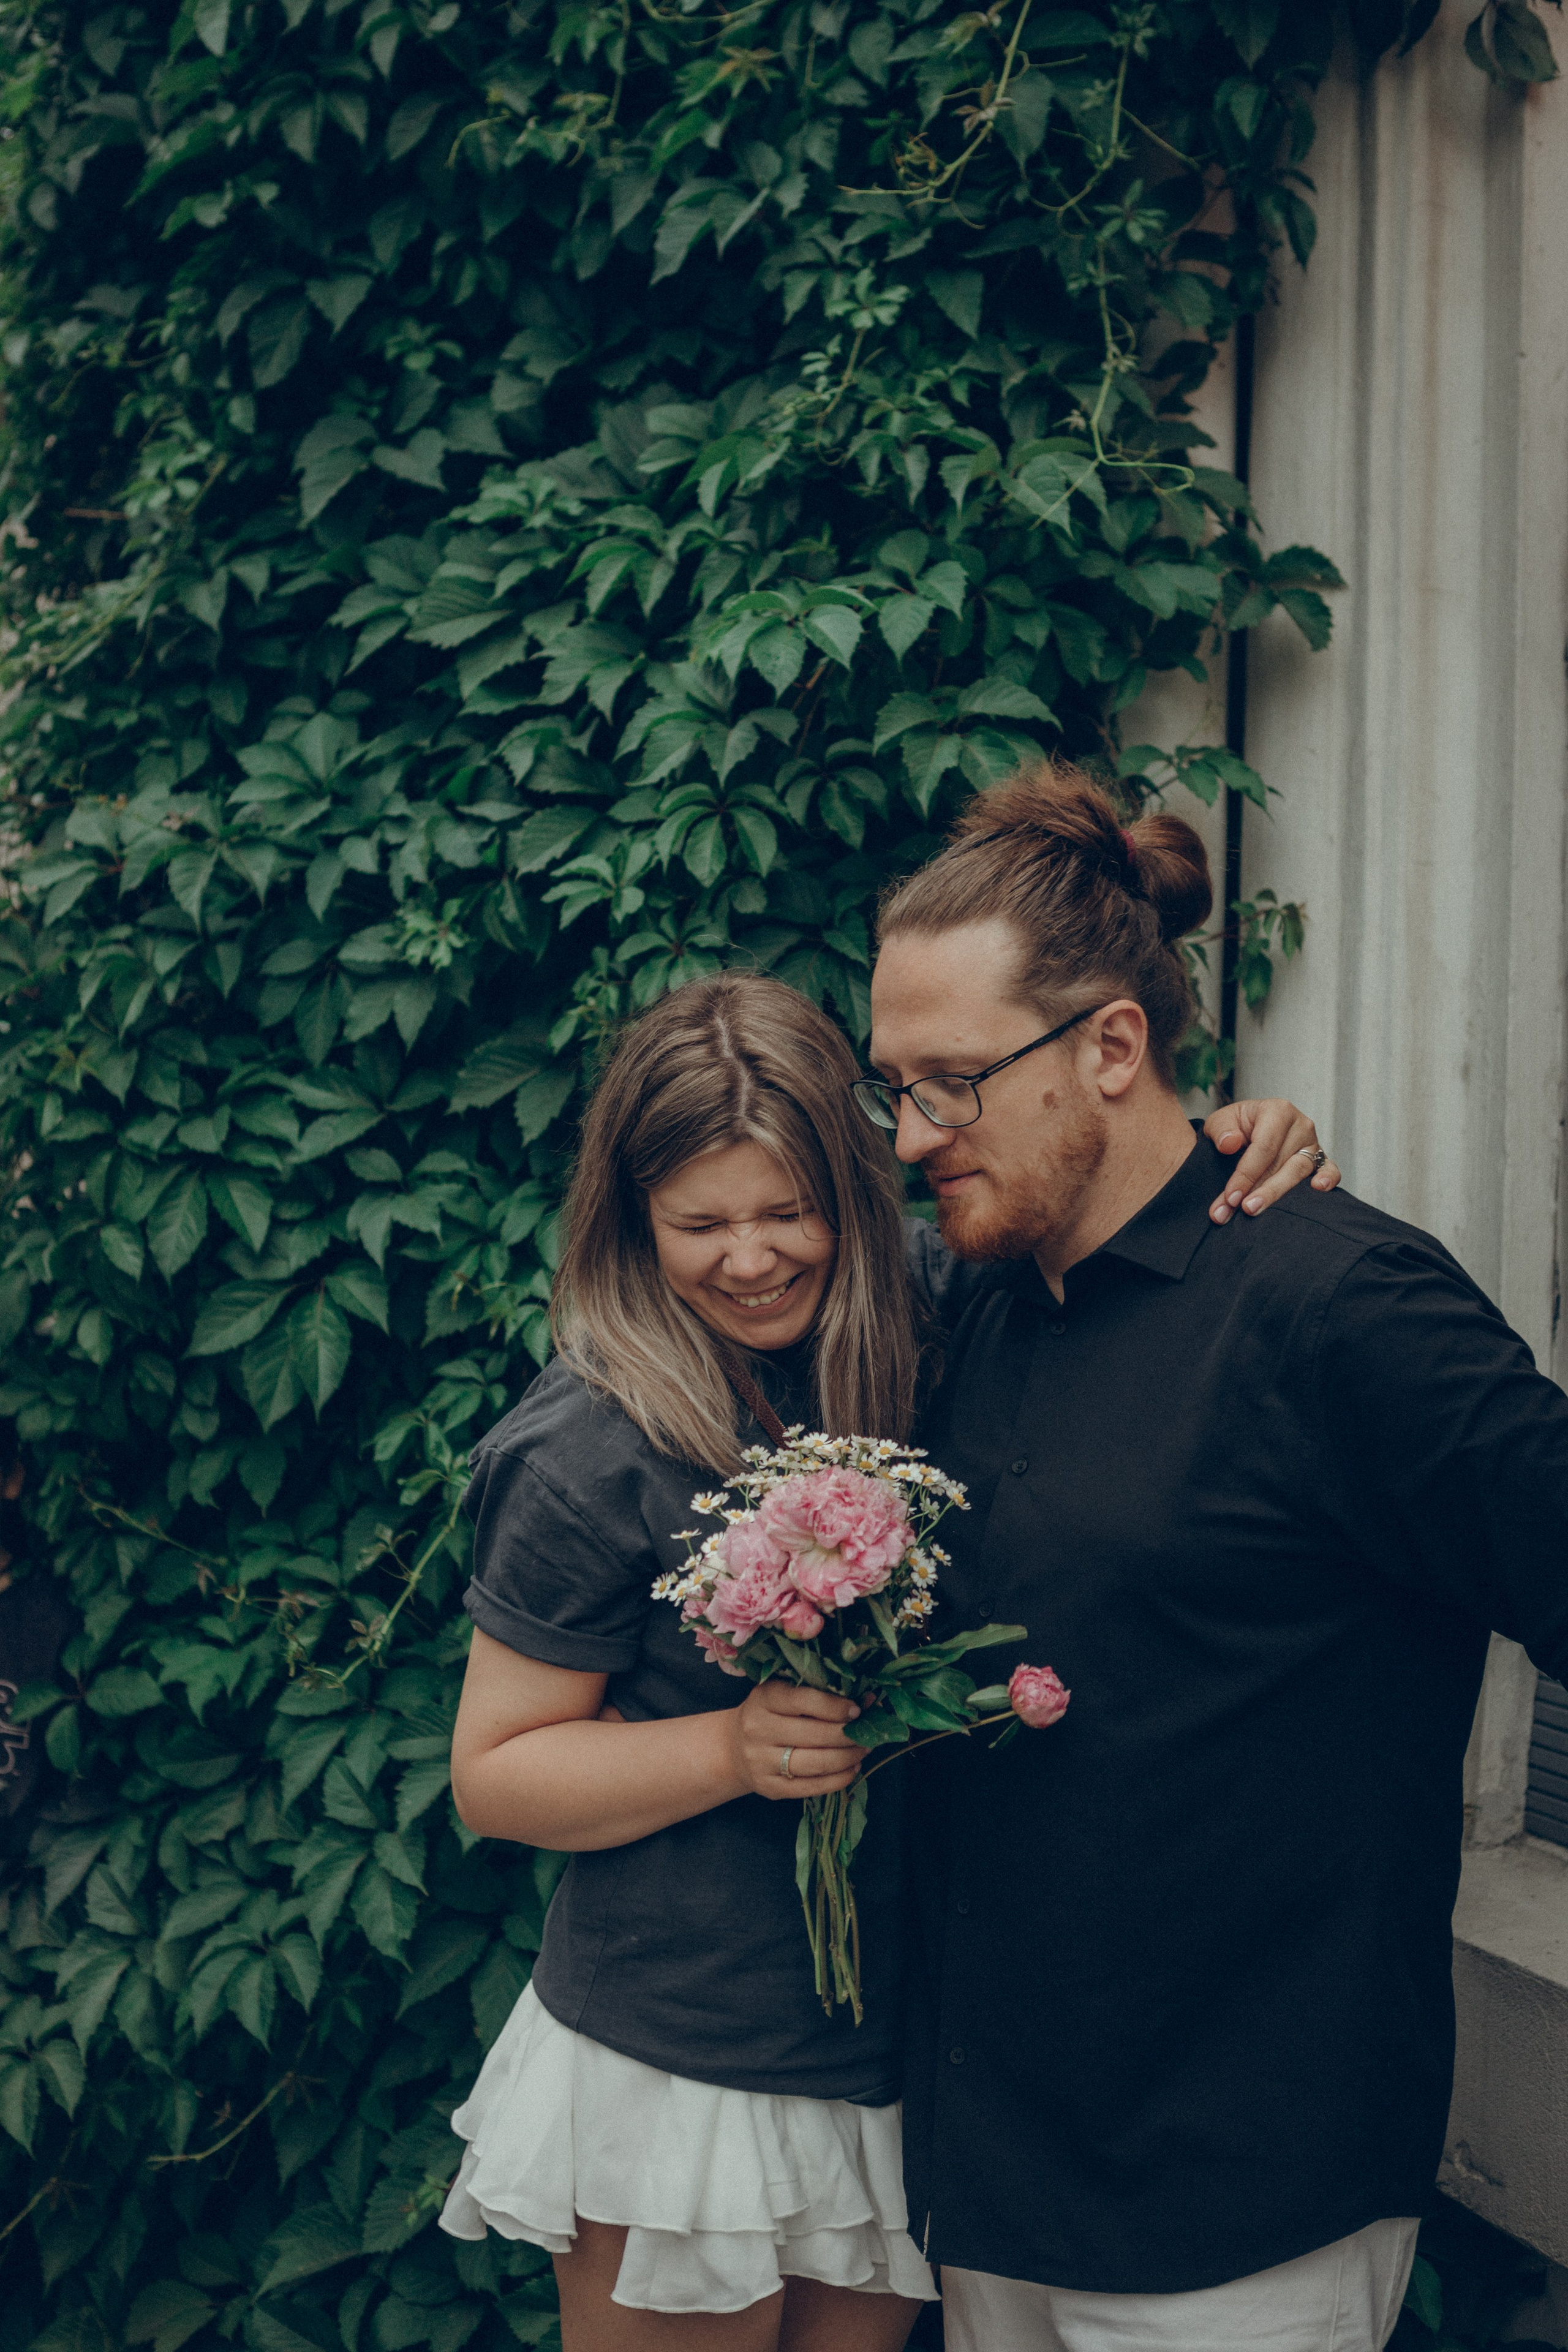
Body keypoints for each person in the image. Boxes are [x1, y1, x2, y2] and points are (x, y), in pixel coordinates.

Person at [761, 756, 1568, 2352]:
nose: (912, 1137)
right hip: (991, 2189)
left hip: (1246, 2216)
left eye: (952, 1083)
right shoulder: (972, 1305)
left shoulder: (1345, 1310)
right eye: (894, 1086)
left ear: (1113, 1045)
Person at [439, 968, 1334, 2352]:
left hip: (906, 2054)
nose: (750, 1259)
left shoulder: (939, 1311)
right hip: (690, 2056)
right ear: (629, 1223)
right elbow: (493, 1777)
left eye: (788, 1211)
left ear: (857, 1198)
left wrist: (1240, 1137)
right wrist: (726, 1750)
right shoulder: (583, 1445)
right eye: (700, 1224)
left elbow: (1105, 1209)